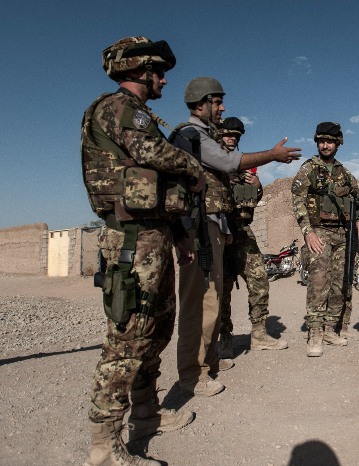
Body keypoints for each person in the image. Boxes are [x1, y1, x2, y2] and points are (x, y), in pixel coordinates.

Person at [80, 36, 205, 466]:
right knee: (128, 338)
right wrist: (193, 166)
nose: (164, 80)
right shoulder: (119, 108)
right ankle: (104, 445)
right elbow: (150, 152)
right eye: (159, 72)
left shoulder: (138, 113)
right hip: (131, 240)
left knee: (156, 330)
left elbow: (155, 181)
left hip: (155, 235)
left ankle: (146, 415)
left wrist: (180, 235)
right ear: (139, 70)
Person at [171, 77, 300, 397]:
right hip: (200, 226)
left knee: (213, 296)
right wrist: (273, 154)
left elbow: (235, 191)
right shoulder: (192, 135)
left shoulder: (204, 138)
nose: (222, 107)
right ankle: (195, 371)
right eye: (217, 102)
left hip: (220, 227)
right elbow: (227, 163)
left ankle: (209, 360)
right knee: (202, 301)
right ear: (200, 104)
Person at [291, 122, 359, 356]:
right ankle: (315, 332)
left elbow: (357, 200)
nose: (325, 145)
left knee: (340, 282)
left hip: (343, 234)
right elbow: (298, 200)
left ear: (338, 144)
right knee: (319, 280)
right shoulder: (309, 169)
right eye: (322, 141)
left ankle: (330, 328)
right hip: (319, 231)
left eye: (330, 142)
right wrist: (307, 231)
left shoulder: (345, 174)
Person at [217, 117, 288, 357]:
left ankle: (258, 334)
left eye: (236, 136)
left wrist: (257, 185)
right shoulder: (212, 164)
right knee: (222, 288)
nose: (232, 139)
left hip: (241, 231)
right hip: (218, 231)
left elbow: (252, 201)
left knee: (259, 280)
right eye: (228, 134)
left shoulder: (246, 168)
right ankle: (225, 337)